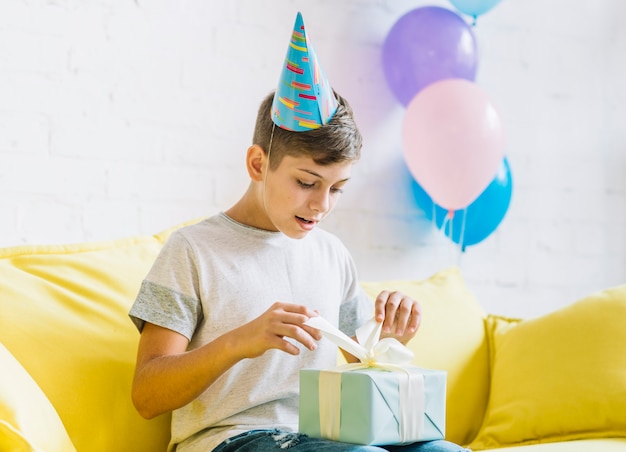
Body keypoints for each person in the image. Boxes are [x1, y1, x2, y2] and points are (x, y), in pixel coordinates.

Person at [129, 12, 468, 452]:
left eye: (336, 189)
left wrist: (387, 340)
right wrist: (240, 341)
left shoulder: (331, 255)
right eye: (306, 183)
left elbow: (356, 355)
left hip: (325, 435)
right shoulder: (193, 251)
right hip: (231, 441)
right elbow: (147, 395)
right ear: (258, 164)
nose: (321, 205)